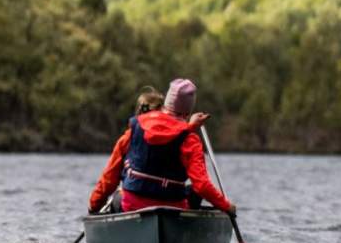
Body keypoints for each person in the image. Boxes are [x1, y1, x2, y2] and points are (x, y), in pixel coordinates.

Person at [88, 78, 235, 216]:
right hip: (174, 208)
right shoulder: (190, 139)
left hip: (132, 206)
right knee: (195, 191)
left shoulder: (135, 129)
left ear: (165, 104)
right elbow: (202, 186)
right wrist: (227, 206)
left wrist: (93, 207)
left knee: (118, 195)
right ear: (188, 111)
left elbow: (109, 178)